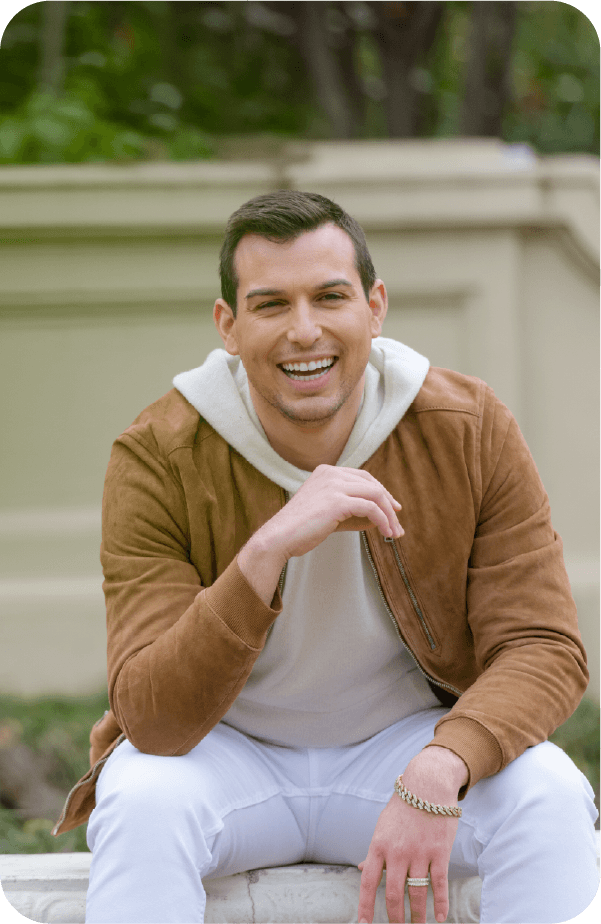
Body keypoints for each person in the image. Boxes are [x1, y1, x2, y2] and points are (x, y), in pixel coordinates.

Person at [53, 191, 598, 924]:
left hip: (402, 749)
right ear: (229, 326)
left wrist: (442, 763)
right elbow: (150, 716)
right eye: (270, 304)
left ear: (374, 308)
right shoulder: (158, 454)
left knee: (549, 795)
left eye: (329, 297)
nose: (303, 330)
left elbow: (543, 646)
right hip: (225, 756)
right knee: (141, 798)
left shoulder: (466, 428)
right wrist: (265, 551)